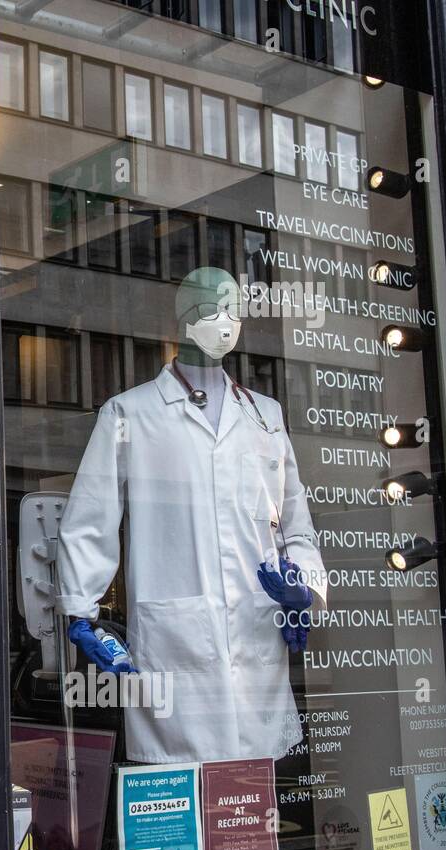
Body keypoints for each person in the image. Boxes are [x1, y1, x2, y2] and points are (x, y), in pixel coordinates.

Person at [57, 267, 327, 764]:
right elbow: (91, 518)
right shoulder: (131, 413)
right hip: (174, 642)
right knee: (183, 805)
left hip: (257, 637)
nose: (225, 323)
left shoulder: (265, 415)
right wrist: (82, 612)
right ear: (184, 318)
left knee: (250, 806)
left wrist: (303, 589)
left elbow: (295, 522)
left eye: (234, 311)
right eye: (211, 309)